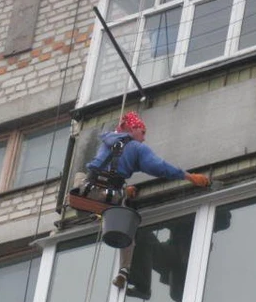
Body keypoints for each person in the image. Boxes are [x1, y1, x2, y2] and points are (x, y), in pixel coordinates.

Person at [81, 110, 210, 289]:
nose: (144, 138)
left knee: (101, 194)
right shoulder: (136, 147)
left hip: (87, 190)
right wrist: (188, 176)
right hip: (111, 195)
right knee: (127, 231)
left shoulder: (106, 142)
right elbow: (159, 167)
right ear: (133, 129)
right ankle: (124, 271)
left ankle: (98, 211)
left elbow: (105, 169)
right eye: (143, 133)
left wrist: (125, 190)